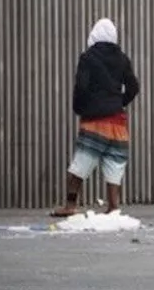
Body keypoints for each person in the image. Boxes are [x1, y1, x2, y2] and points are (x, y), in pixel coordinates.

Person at [51, 19, 140, 217]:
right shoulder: (122, 59)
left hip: (95, 121)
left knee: (80, 163)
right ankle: (113, 206)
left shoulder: (88, 57)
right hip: (118, 121)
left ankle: (70, 205)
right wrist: (120, 102)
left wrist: (81, 107)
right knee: (114, 163)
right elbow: (134, 87)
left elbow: (81, 87)